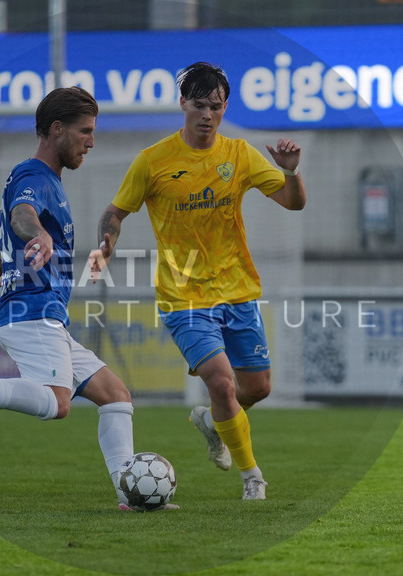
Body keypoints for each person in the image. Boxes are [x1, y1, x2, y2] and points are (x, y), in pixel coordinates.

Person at [0, 87, 173, 511]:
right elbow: (22, 215)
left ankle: (129, 494)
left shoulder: (43, 180)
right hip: (32, 311)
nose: (91, 142)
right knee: (58, 404)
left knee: (115, 395)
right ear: (57, 129)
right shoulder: (34, 176)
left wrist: (8, 258)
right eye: (85, 131)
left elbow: (11, 220)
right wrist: (35, 234)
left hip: (41, 311)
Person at [89, 62, 307, 501]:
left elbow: (293, 202)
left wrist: (291, 171)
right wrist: (106, 245)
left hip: (237, 289)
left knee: (257, 388)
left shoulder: (239, 154)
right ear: (183, 104)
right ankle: (253, 478)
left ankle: (213, 421)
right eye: (200, 105)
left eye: (217, 107)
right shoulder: (152, 161)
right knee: (223, 382)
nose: (208, 115)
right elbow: (115, 212)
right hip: (182, 295)